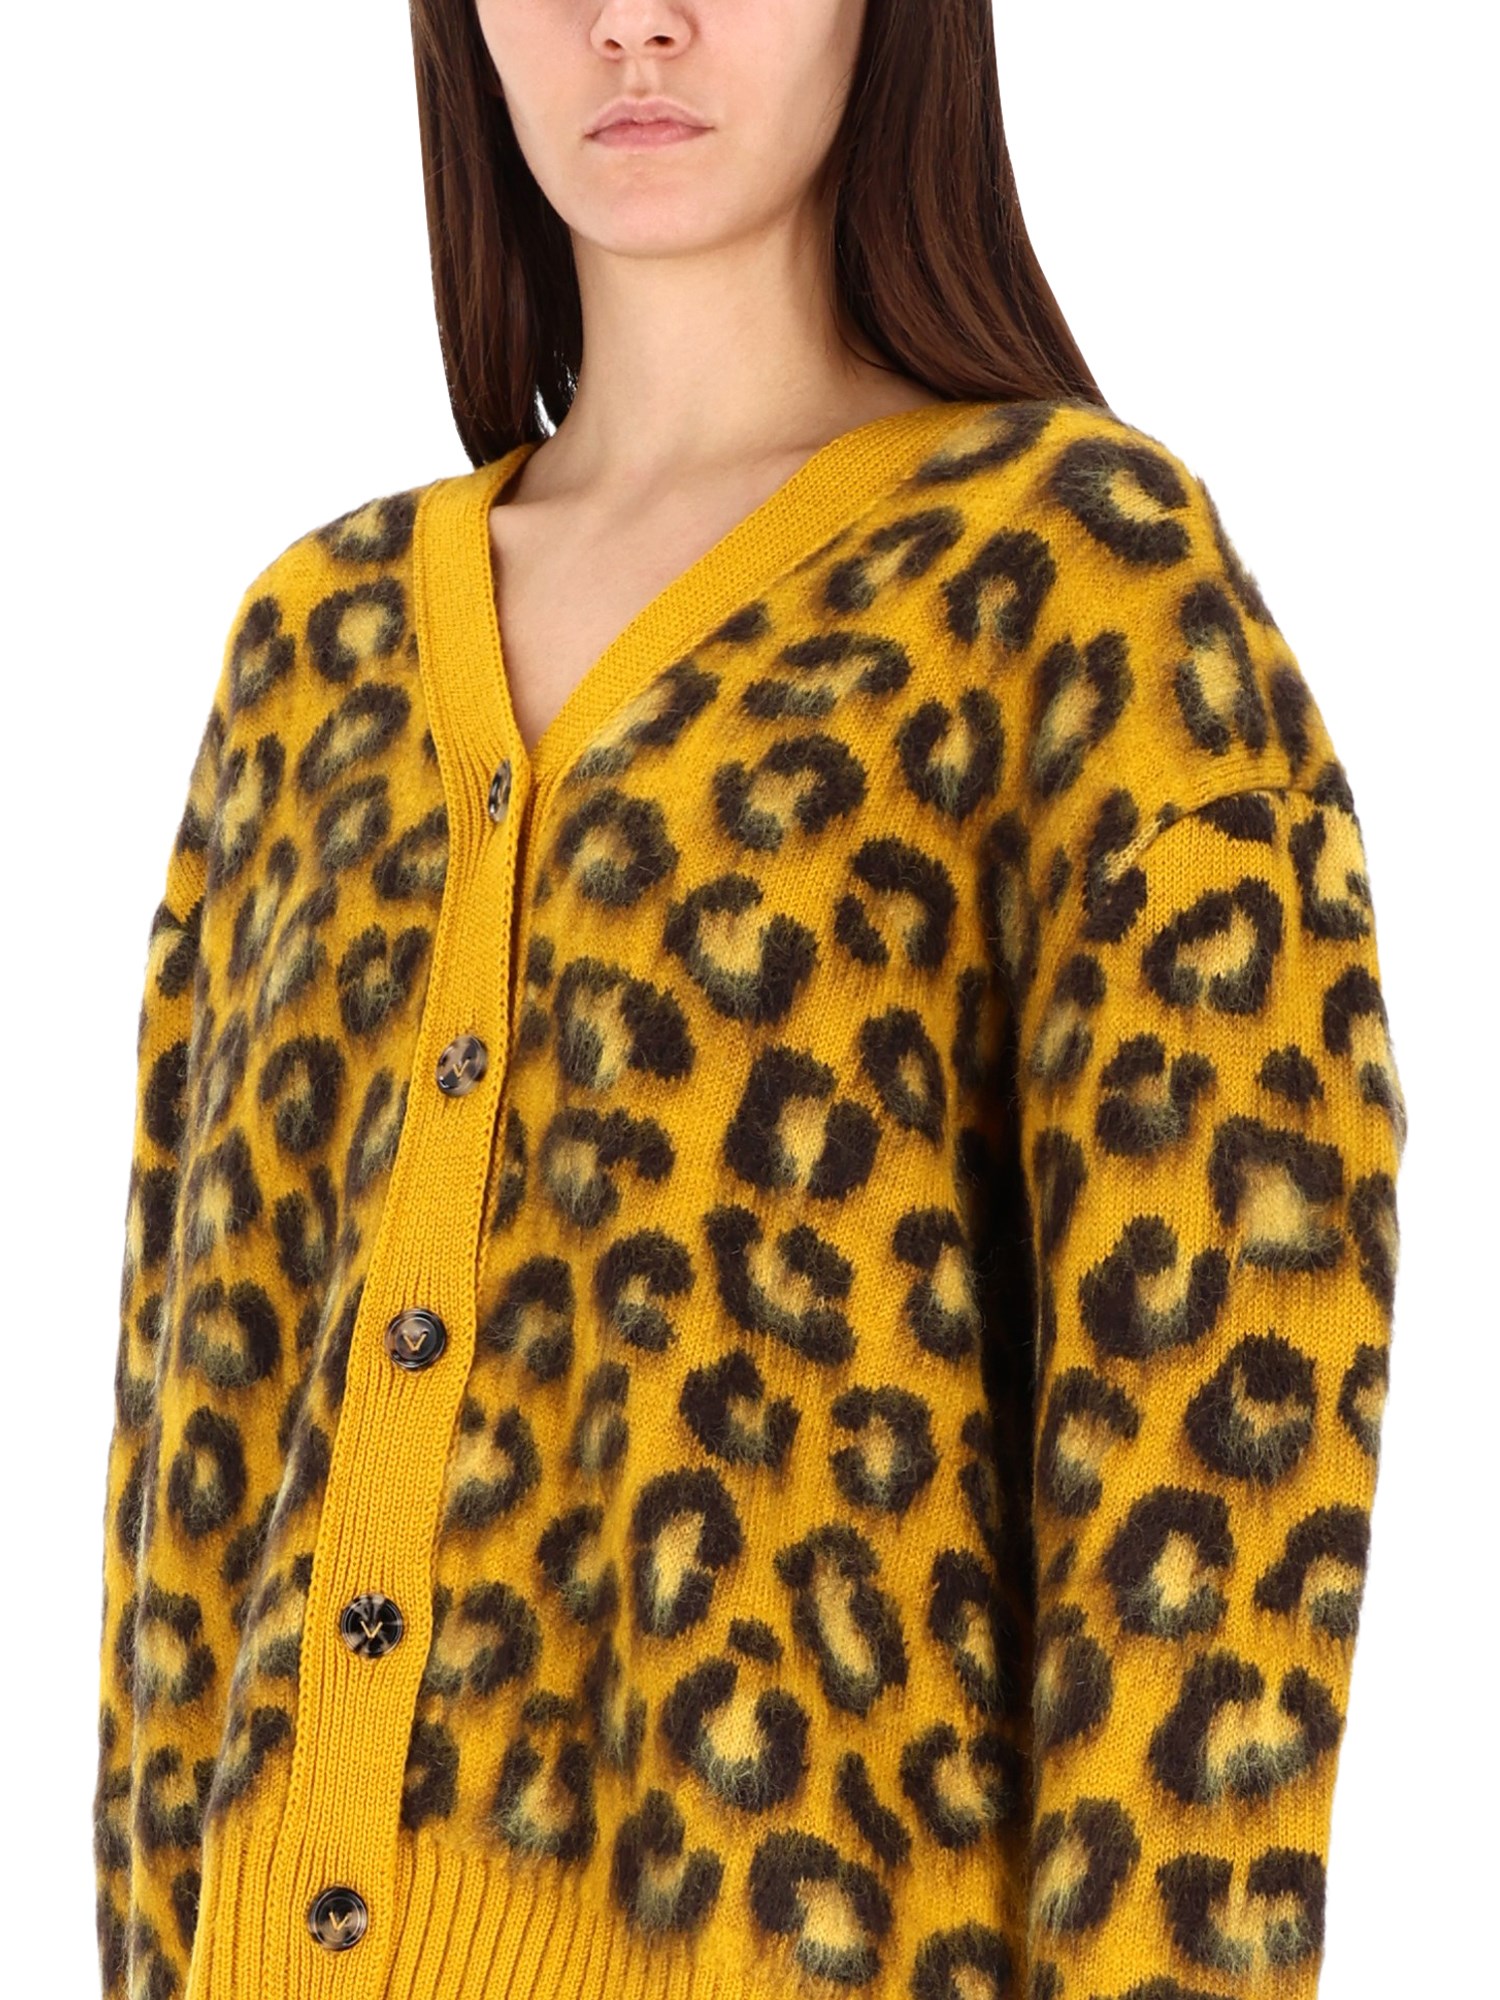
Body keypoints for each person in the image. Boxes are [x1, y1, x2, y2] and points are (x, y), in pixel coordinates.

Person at [93, 5, 1407, 1999]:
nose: (638, 19)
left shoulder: (1075, 582)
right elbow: (186, 1448)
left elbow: (1222, 1453)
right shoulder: (316, 642)